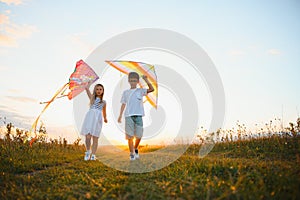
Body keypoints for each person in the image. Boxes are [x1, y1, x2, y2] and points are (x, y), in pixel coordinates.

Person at [118, 72, 154, 161]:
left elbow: (152, 89)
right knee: (130, 136)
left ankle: (136, 148)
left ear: (137, 81)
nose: (132, 82)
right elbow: (123, 104)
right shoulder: (125, 92)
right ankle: (131, 154)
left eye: (134, 81)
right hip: (128, 116)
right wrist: (120, 115)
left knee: (139, 135)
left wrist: (146, 79)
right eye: (131, 80)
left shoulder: (141, 91)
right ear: (128, 81)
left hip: (138, 115)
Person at [81, 83, 107, 160]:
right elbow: (87, 89)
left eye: (100, 89)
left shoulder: (104, 102)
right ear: (95, 90)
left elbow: (104, 112)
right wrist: (89, 83)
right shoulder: (92, 98)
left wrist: (105, 118)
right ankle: (88, 151)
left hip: (97, 120)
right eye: (97, 89)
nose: (99, 91)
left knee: (95, 138)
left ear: (103, 91)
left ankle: (93, 154)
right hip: (90, 119)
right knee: (88, 137)